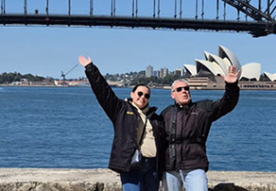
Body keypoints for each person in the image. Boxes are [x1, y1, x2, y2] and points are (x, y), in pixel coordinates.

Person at [80, 55, 166, 191]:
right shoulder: (121, 110)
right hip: (132, 164)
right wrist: (91, 69)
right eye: (139, 93)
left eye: (146, 95)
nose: (142, 97)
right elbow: (104, 93)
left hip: (152, 167)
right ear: (132, 94)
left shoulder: (155, 118)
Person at [161, 66, 239, 191]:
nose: (184, 91)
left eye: (186, 88)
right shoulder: (166, 114)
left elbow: (226, 104)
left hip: (194, 166)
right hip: (170, 167)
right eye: (179, 89)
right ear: (173, 94)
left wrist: (231, 86)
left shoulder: (203, 109)